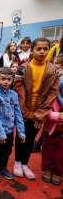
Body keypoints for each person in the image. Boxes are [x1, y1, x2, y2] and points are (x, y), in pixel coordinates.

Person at [13, 37, 59, 180]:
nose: (42, 52)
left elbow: (52, 93)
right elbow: (18, 88)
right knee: (21, 136)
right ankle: (17, 163)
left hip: (39, 113)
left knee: (31, 138)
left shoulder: (53, 70)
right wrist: (23, 109)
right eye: (39, 49)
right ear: (31, 51)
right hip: (24, 110)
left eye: (45, 49)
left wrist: (41, 114)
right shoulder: (23, 68)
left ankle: (25, 164)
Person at [0, 67, 26, 182]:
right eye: (3, 79)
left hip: (9, 130)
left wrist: (21, 132)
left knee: (6, 151)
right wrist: (0, 133)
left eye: (9, 79)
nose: (6, 82)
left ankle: (2, 168)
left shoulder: (14, 94)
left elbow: (18, 114)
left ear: (12, 80)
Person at [41, 54, 63, 185]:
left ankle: (57, 171)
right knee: (48, 149)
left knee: (60, 153)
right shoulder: (52, 96)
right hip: (52, 128)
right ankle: (46, 169)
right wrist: (58, 116)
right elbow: (45, 112)